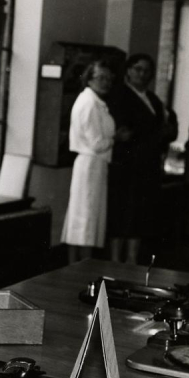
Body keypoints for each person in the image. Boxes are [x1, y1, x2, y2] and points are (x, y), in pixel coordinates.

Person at [108, 53, 178, 264]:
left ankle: (131, 261)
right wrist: (153, 133)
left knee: (139, 217)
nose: (142, 74)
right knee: (122, 215)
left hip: (147, 167)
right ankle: (114, 262)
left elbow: (167, 125)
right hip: (127, 165)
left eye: (147, 70)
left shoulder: (152, 98)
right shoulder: (119, 95)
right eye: (137, 69)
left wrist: (164, 131)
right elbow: (126, 130)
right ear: (128, 70)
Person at [61, 60, 116, 264]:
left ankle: (77, 267)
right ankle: (80, 269)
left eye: (109, 78)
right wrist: (116, 137)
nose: (106, 82)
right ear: (89, 78)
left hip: (94, 165)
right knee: (85, 221)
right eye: (100, 77)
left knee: (84, 219)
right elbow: (97, 143)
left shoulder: (95, 102)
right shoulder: (88, 103)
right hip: (90, 164)